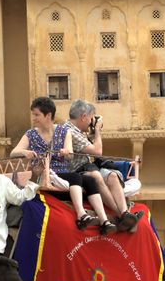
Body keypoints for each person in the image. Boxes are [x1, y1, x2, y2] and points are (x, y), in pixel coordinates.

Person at [10, 96, 117, 234]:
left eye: (37, 115)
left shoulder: (64, 131)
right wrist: (25, 152)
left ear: (48, 115)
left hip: (62, 174)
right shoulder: (30, 134)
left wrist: (66, 152)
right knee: (75, 178)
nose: (34, 118)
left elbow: (70, 154)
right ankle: (81, 215)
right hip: (44, 174)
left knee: (90, 180)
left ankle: (104, 221)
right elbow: (14, 153)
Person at [61, 99, 143, 232]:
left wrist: (93, 131)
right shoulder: (70, 131)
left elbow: (92, 150)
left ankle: (125, 214)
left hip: (89, 166)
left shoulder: (78, 130)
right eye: (91, 118)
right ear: (83, 117)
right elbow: (97, 151)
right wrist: (98, 130)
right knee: (96, 176)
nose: (92, 121)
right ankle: (122, 215)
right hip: (79, 171)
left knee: (112, 176)